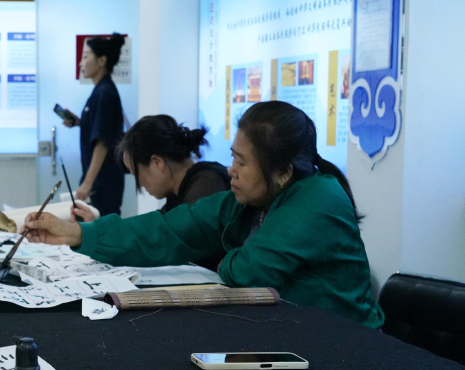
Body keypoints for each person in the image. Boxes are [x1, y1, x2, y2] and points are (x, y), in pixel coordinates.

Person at [25, 101, 385, 329]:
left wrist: (226, 259)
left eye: (243, 162)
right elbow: (168, 230)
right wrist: (77, 234)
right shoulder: (249, 200)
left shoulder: (318, 199)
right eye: (233, 157)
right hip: (290, 335)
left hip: (345, 348)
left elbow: (247, 271)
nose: (231, 171)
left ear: (283, 172)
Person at [72, 115, 230, 271]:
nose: (139, 183)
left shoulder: (207, 184)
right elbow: (152, 229)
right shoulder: (182, 190)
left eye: (136, 173)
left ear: (157, 163)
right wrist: (96, 228)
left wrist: (93, 234)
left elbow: (163, 238)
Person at [60, 33, 126, 216]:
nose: (81, 63)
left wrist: (87, 183)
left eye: (86, 56)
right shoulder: (101, 90)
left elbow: (103, 142)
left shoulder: (105, 93)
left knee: (101, 231)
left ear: (102, 60)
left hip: (103, 183)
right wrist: (80, 123)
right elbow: (102, 126)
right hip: (99, 181)